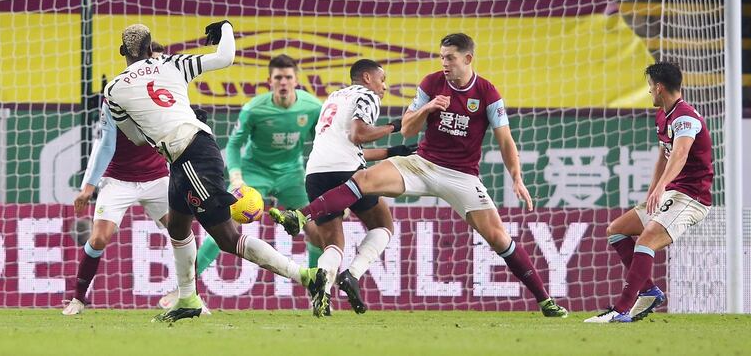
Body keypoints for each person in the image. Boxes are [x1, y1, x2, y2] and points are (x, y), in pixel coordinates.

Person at [271, 33, 568, 318]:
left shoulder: (487, 93)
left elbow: (505, 140)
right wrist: (427, 108)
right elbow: (410, 128)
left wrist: (516, 176)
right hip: (422, 163)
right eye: (442, 58)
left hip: (462, 176)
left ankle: (545, 300)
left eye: (450, 58)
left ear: (468, 58)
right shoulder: (432, 83)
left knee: (498, 238)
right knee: (363, 180)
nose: (445, 64)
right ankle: (300, 216)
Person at [104, 22, 326, 322]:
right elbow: (225, 57)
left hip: (190, 154)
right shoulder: (171, 63)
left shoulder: (113, 89)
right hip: (188, 153)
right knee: (178, 229)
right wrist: (226, 28)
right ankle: (187, 298)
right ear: (150, 49)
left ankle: (306, 275)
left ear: (122, 53)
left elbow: (137, 138)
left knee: (228, 238)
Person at [158, 54, 325, 309]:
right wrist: (236, 175)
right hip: (254, 173)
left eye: (288, 77)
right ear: (269, 81)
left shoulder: (312, 107)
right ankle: (184, 290)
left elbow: (322, 144)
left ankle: (317, 293)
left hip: (291, 174)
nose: (283, 82)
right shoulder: (254, 109)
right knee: (221, 226)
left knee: (317, 229)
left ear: (296, 80)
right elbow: (234, 144)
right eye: (278, 78)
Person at [585, 62, 712, 323]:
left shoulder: (685, 117)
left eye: (650, 87)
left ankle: (620, 310)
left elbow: (680, 154)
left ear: (660, 87)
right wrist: (654, 189)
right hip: (671, 193)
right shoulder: (663, 115)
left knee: (645, 241)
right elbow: (663, 157)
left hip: (691, 198)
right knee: (616, 230)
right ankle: (649, 291)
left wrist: (663, 187)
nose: (649, 92)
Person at [302, 59, 415, 317]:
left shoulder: (333, 97)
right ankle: (351, 275)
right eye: (382, 79)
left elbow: (349, 144)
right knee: (383, 225)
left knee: (333, 243)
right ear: (367, 78)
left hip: (316, 172)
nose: (384, 87)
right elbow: (358, 135)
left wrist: (390, 151)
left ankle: (323, 286)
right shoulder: (367, 95)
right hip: (347, 173)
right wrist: (396, 126)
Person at [62, 59, 175, 316]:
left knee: (181, 233)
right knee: (99, 237)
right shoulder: (116, 95)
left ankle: (191, 295)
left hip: (157, 178)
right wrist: (88, 188)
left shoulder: (167, 94)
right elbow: (106, 145)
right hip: (118, 180)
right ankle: (78, 298)